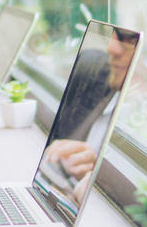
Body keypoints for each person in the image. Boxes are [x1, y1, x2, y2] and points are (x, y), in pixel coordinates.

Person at [42, 28, 138, 205]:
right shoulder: (92, 71)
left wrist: (104, 181)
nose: (112, 48)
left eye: (130, 39)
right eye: (115, 34)